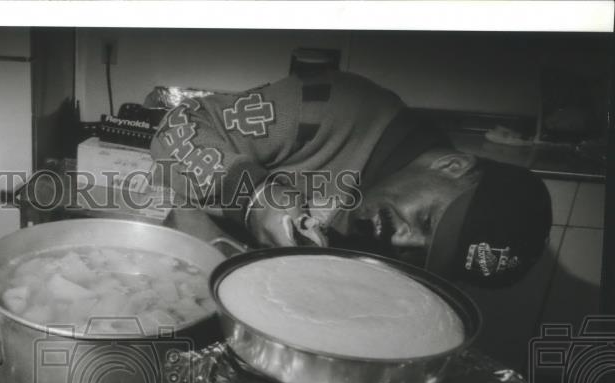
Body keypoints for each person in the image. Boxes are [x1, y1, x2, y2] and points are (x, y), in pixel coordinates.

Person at [149, 70, 552, 288]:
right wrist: (258, 198)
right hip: (182, 280)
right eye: (427, 221)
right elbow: (178, 126)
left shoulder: (402, 245)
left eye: (424, 255)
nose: (401, 241)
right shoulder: (331, 108)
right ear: (452, 167)